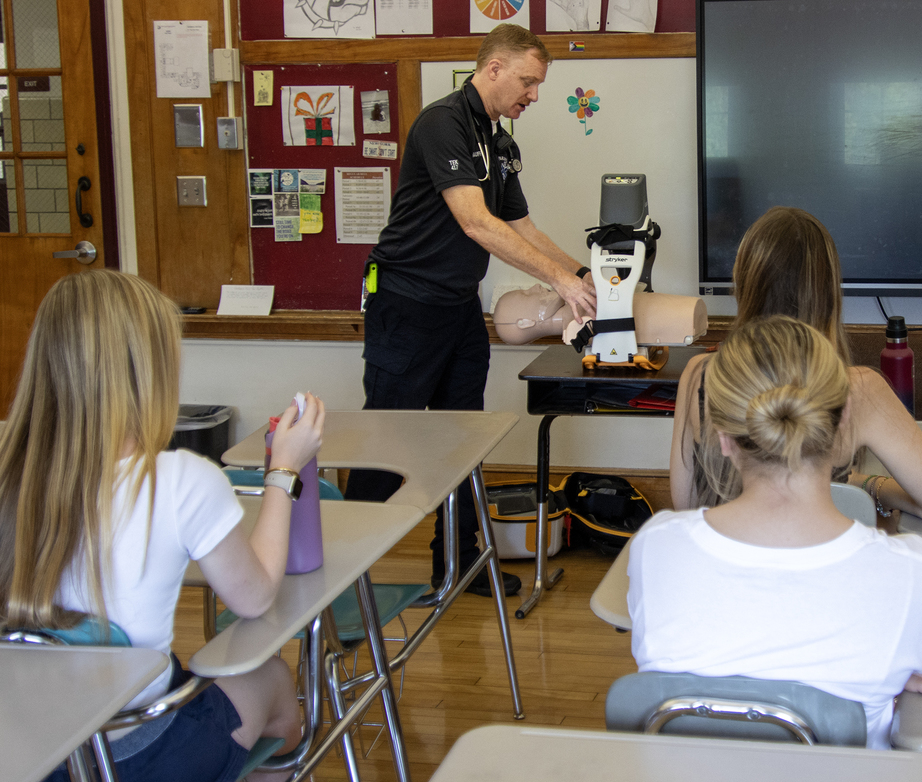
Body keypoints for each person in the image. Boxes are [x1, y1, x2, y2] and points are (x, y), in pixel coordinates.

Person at [0, 270, 325, 782]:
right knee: (275, 681)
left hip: (28, 753)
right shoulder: (179, 481)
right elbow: (255, 597)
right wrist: (283, 469)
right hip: (137, 757)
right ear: (150, 372)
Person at [630, 316, 922, 750]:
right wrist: (892, 666)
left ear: (723, 438)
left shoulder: (655, 548)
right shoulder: (916, 576)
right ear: (843, 422)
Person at [346, 24, 597, 597]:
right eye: (528, 81)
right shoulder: (442, 124)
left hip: (459, 309)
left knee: (462, 439)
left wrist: (583, 275)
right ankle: (336, 576)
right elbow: (474, 222)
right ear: (494, 69)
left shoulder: (501, 142)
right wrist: (558, 279)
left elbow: (520, 226)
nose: (533, 95)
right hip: (405, 305)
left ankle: (457, 565)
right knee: (385, 439)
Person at [669, 206, 922, 527]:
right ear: (829, 291)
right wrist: (866, 486)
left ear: (742, 281)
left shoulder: (700, 376)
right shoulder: (859, 388)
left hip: (723, 570)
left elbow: (686, 505)